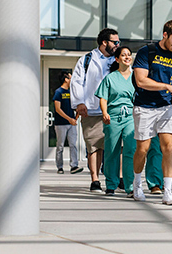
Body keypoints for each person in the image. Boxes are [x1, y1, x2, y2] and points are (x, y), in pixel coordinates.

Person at [132, 20, 172, 205]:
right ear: (165, 34)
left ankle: (168, 192)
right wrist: (167, 86)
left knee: (168, 148)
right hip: (145, 106)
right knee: (143, 149)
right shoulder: (146, 52)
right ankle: (137, 185)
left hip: (167, 107)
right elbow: (141, 81)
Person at [71, 28, 120, 192]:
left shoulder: (118, 59)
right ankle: (95, 180)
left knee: (116, 146)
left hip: (114, 109)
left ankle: (118, 177)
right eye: (115, 42)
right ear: (104, 42)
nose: (117, 45)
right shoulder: (86, 59)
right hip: (92, 108)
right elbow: (77, 81)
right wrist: (79, 102)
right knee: (94, 146)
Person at [95, 46, 135, 196]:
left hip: (131, 116)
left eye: (129, 55)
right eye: (123, 55)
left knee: (131, 149)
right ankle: (111, 184)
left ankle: (130, 185)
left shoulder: (136, 78)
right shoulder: (110, 78)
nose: (127, 57)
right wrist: (104, 112)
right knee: (112, 150)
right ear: (117, 59)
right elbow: (103, 98)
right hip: (113, 116)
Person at [53, 71, 83, 175]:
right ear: (66, 79)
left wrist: (75, 118)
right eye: (71, 77)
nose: (72, 79)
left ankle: (74, 165)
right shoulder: (59, 92)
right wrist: (69, 119)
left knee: (73, 145)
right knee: (60, 146)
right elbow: (58, 109)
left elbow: (76, 107)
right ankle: (60, 167)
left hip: (71, 123)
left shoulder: (72, 92)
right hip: (61, 124)